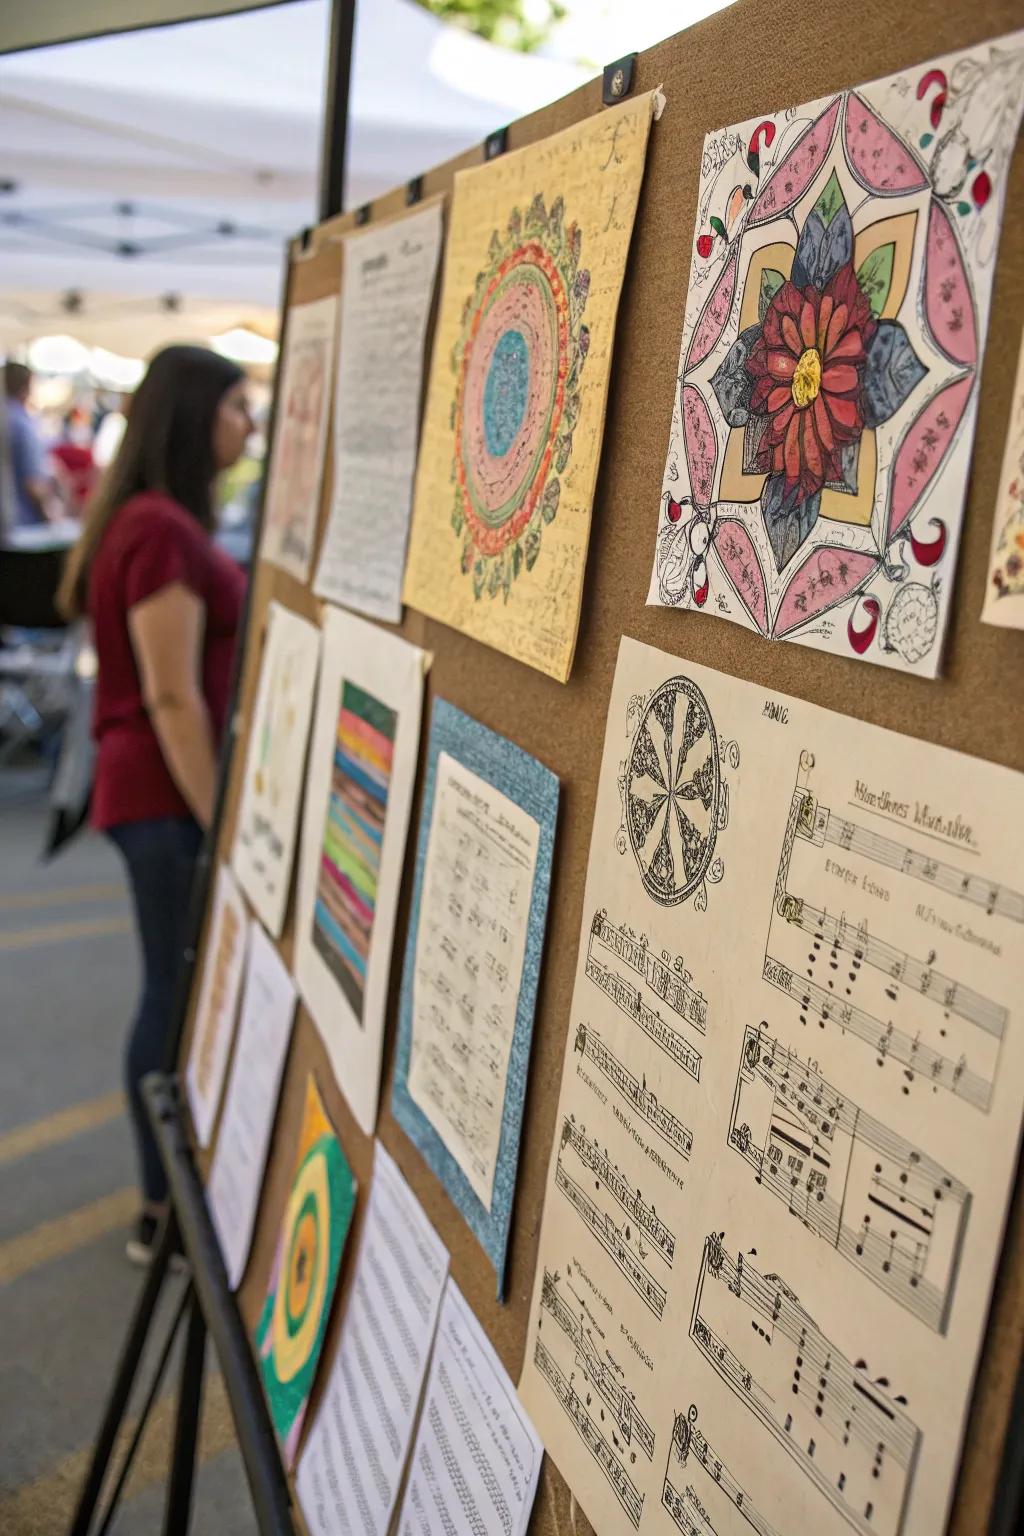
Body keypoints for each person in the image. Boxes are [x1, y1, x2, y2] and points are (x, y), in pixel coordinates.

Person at [58, 346, 252, 1264]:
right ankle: (159, 1208)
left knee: (170, 989)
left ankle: (164, 1201)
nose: (247, 426)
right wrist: (221, 823)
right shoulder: (161, 531)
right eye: (237, 408)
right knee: (171, 995)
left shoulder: (149, 519)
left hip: (150, 793)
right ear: (193, 415)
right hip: (164, 798)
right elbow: (172, 695)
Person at [4, 361, 59, 528]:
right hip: (21, 525)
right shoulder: (22, 425)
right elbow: (34, 483)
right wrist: (51, 518)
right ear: (27, 386)